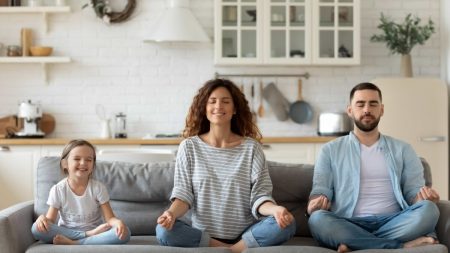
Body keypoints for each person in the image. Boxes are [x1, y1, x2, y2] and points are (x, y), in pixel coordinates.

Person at [156, 79, 296, 253]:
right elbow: (183, 195)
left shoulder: (251, 148)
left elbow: (260, 196)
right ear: (204, 108)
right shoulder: (189, 147)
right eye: (212, 101)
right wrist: (171, 214)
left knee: (287, 223)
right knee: (163, 231)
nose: (218, 106)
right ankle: (230, 250)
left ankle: (234, 248)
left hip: (246, 233)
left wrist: (276, 209)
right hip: (202, 234)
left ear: (235, 108)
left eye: (226, 101)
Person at [307, 82, 440, 252]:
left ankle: (357, 244)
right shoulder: (330, 150)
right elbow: (321, 190)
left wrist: (423, 199)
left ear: (382, 109)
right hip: (349, 221)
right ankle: (401, 246)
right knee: (318, 220)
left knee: (429, 210)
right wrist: (314, 204)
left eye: (373, 104)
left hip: (394, 220)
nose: (366, 110)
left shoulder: (403, 149)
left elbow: (413, 192)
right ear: (350, 110)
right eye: (360, 104)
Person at [31, 139, 130, 245]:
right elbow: (50, 220)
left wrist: (118, 222)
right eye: (77, 159)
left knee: (126, 233)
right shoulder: (58, 189)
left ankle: (75, 243)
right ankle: (86, 236)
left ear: (93, 165)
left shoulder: (98, 188)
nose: (83, 163)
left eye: (89, 160)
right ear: (65, 164)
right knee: (36, 229)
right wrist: (42, 219)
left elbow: (110, 218)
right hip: (71, 233)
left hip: (97, 233)